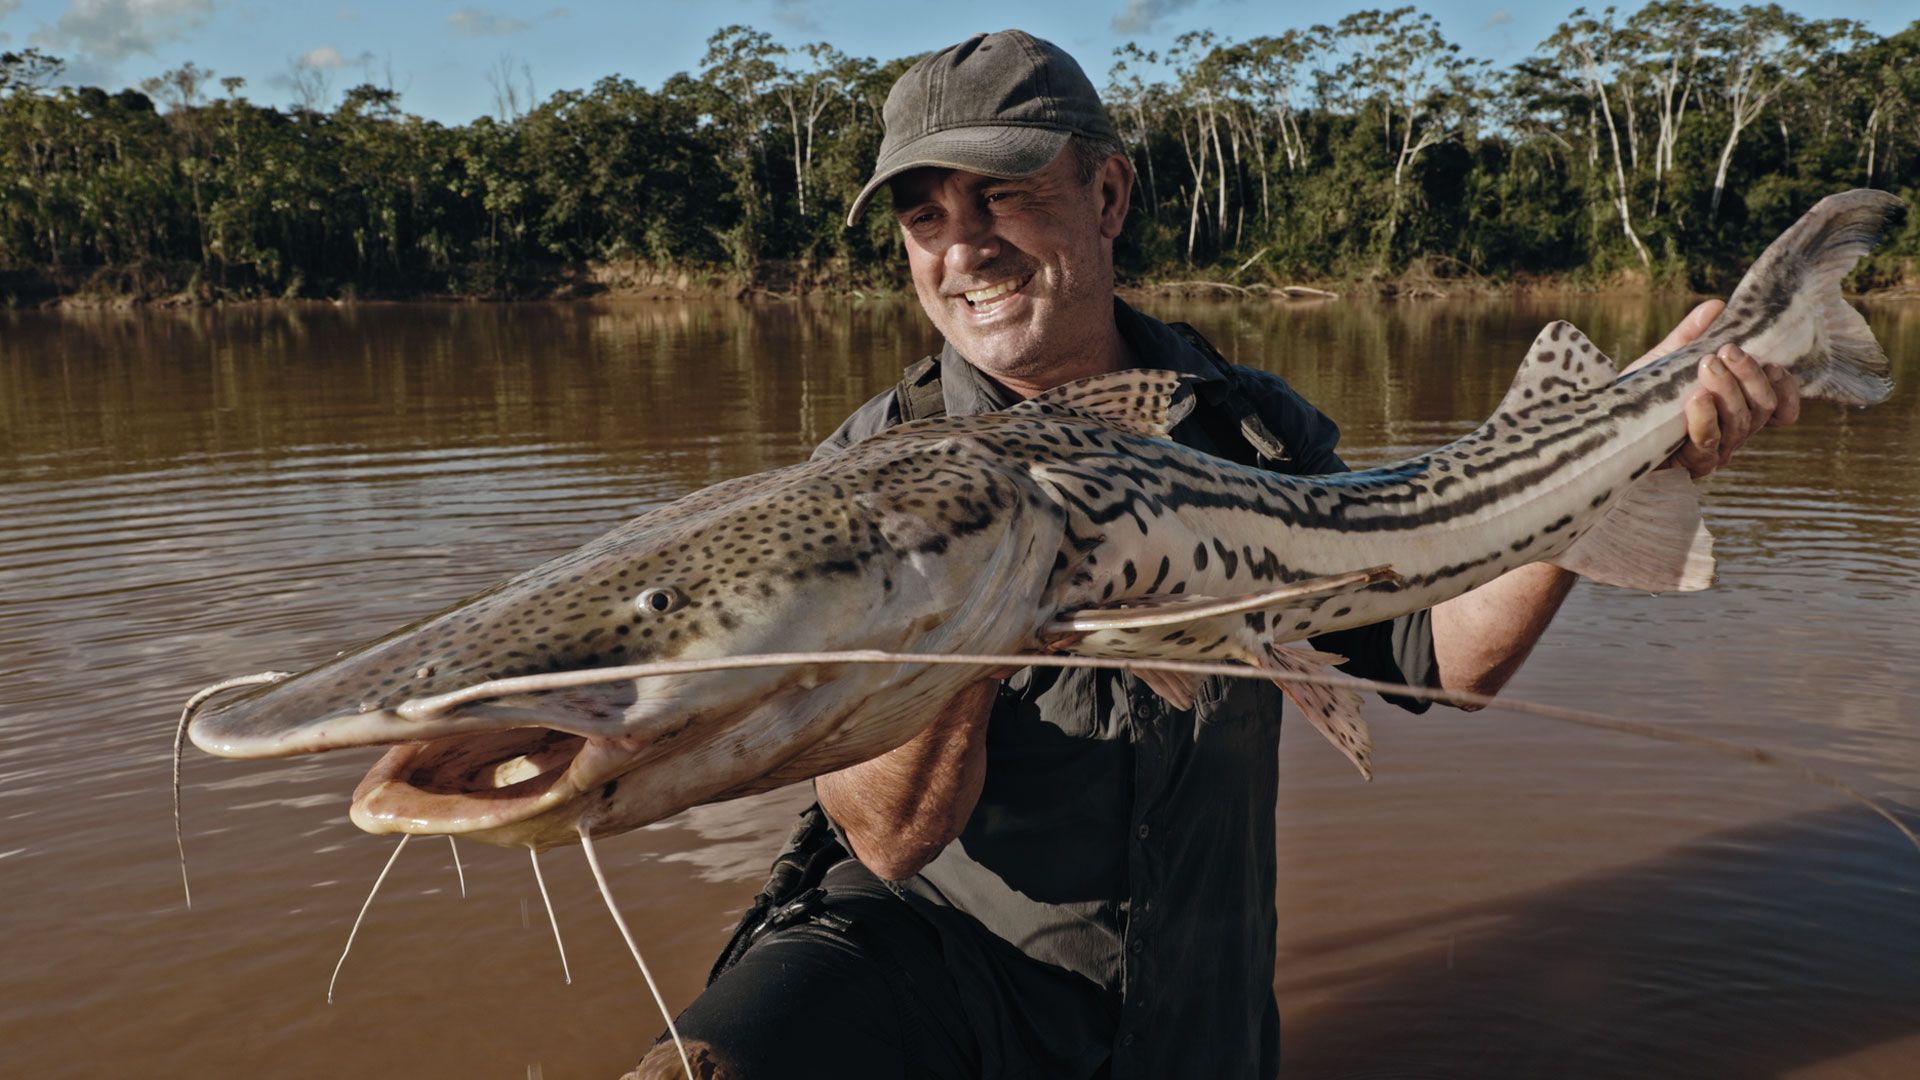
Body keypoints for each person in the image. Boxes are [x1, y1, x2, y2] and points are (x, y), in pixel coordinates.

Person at [629, 29, 1797, 1080]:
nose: (964, 248)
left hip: (1199, 1007)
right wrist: (971, 584)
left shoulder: (1248, 426)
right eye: (926, 216)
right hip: (952, 995)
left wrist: (1621, 467)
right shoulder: (863, 475)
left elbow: (1435, 654)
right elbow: (887, 836)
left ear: (1108, 192)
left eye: (1002, 197)